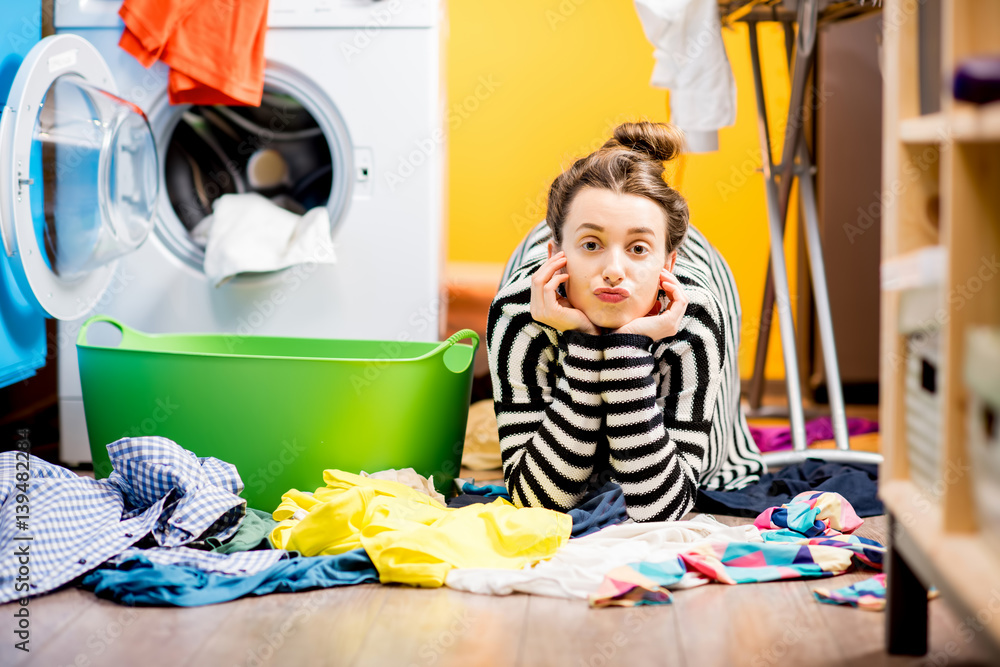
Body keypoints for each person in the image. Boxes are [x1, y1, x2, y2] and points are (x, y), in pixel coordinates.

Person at [486, 120, 766, 522]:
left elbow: (663, 506)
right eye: (591, 245)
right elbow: (536, 501)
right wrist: (582, 340)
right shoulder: (519, 312)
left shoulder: (694, 317)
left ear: (668, 263)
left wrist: (627, 348)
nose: (614, 270)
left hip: (696, 281)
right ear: (554, 256)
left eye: (637, 248)